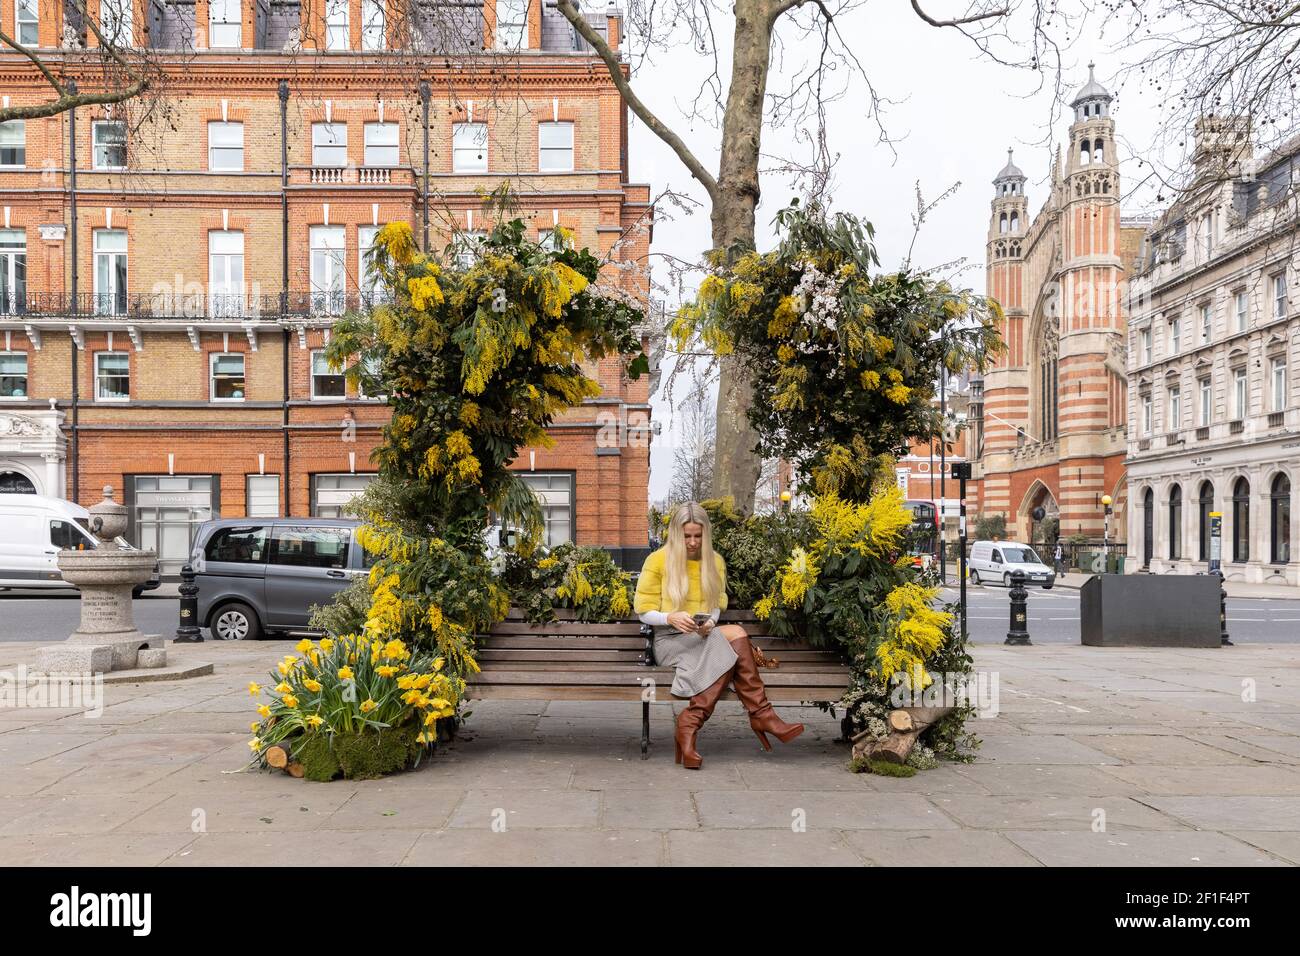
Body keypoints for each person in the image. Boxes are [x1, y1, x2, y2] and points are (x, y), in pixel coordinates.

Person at [634, 501, 804, 769]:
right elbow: (643, 612)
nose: (692, 542)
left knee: (732, 639)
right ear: (676, 535)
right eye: (686, 536)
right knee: (736, 638)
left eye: (697, 536)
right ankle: (761, 715)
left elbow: (716, 606)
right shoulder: (657, 561)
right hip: (669, 641)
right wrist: (670, 617)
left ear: (706, 535)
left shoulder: (714, 561)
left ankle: (690, 724)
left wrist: (711, 623)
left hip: (702, 636)